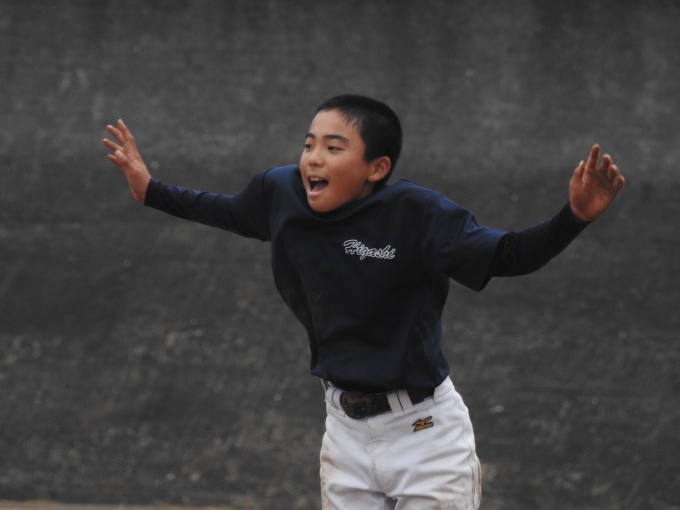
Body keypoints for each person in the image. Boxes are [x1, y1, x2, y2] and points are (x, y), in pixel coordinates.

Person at [103, 94, 624, 510]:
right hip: (345, 436)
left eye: (334, 148)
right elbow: (226, 211)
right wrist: (150, 190)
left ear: (376, 168)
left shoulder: (417, 215)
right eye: (309, 144)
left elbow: (510, 254)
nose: (313, 158)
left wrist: (574, 217)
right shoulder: (281, 192)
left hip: (426, 436)